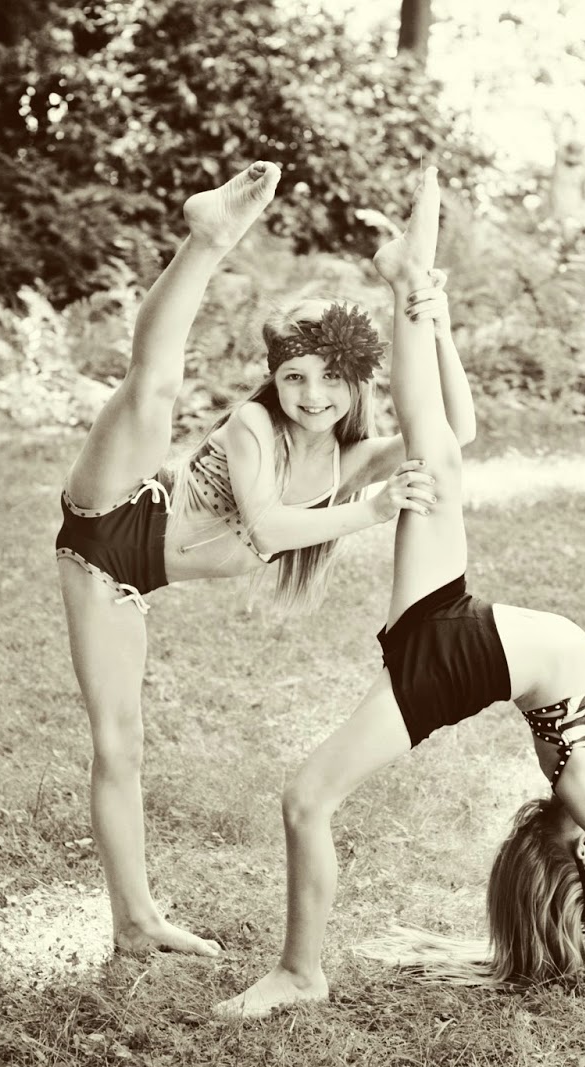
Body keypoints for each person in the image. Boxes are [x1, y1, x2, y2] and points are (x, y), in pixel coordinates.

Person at [215, 169, 585, 1036]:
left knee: (307, 798)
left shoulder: (583, 788)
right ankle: (417, 290)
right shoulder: (580, 787)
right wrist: (433, 323)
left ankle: (299, 972)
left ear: (572, 853)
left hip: (465, 648)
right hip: (467, 636)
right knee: (441, 446)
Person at [56, 161, 465, 958]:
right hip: (114, 509)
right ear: (273, 378)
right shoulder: (253, 426)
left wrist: (428, 317)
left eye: (330, 379)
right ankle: (208, 237)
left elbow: (455, 431)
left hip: (127, 581)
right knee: (152, 387)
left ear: (356, 381)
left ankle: (135, 923)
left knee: (122, 745)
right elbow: (271, 528)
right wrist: (373, 510)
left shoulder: (349, 459)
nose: (311, 395)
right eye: (293, 377)